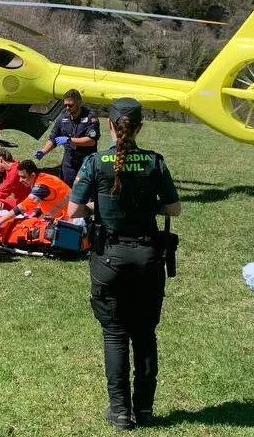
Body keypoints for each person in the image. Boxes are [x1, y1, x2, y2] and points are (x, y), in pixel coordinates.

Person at [68, 97, 181, 431]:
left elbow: (73, 211)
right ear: (140, 126)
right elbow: (174, 209)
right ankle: (144, 411)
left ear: (110, 126)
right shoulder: (154, 162)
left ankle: (120, 413)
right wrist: (149, 210)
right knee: (145, 335)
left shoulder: (95, 163)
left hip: (109, 259)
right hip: (148, 259)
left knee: (115, 335)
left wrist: (97, 209)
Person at [35, 89, 100, 186]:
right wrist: (43, 151)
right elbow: (54, 139)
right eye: (65, 105)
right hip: (69, 161)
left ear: (79, 103)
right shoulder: (62, 118)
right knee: (67, 189)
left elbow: (91, 141)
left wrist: (69, 140)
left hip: (86, 160)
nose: (67, 108)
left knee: (86, 191)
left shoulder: (90, 117)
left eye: (70, 105)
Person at [0, 160, 70, 236]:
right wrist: (35, 213)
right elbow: (45, 199)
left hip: (68, 221)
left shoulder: (41, 186)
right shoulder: (44, 178)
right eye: (19, 177)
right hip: (65, 214)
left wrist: (0, 221)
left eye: (23, 177)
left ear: (32, 175)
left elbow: (23, 206)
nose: (20, 180)